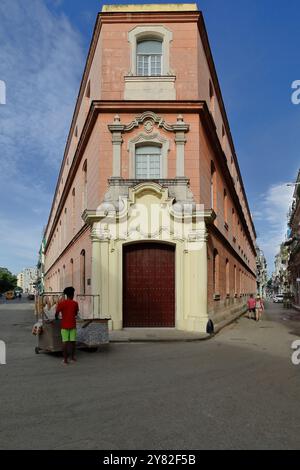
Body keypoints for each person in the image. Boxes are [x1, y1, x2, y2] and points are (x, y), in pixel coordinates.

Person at [55, 287, 79, 364]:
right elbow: (75, 313)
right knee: (73, 342)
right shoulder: (75, 303)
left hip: (64, 325)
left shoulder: (61, 303)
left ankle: (65, 360)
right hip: (72, 325)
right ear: (72, 294)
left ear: (66, 295)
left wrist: (57, 318)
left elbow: (56, 314)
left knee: (65, 342)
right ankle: (72, 358)